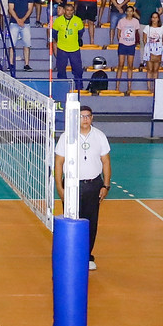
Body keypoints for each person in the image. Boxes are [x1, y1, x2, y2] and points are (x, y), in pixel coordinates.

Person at [54, 105, 111, 268]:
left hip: (93, 185)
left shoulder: (99, 136)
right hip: (72, 185)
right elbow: (59, 163)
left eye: (88, 116)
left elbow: (106, 162)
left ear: (92, 118)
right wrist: (60, 188)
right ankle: (71, 255)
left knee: (90, 222)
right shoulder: (67, 137)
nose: (85, 119)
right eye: (81, 116)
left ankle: (86, 257)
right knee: (71, 220)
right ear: (76, 119)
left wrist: (106, 185)